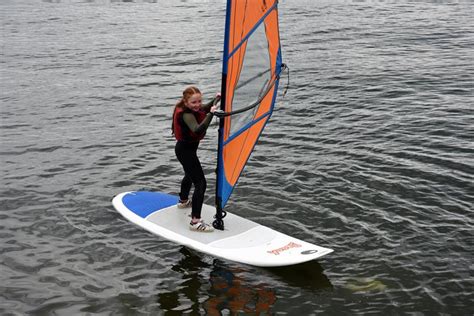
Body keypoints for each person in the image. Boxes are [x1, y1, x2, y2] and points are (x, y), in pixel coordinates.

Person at [172, 86, 220, 232]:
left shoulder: (192, 109)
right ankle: (195, 222)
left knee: (189, 174)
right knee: (200, 183)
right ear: (186, 102)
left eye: (199, 101)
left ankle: (183, 201)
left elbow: (203, 109)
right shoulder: (186, 115)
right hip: (185, 151)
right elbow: (198, 129)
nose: (197, 104)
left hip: (184, 150)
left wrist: (217, 98)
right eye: (194, 102)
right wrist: (212, 114)